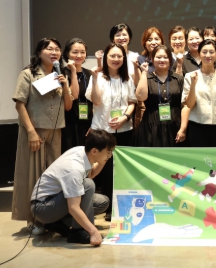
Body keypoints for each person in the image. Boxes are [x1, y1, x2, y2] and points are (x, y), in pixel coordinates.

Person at [12, 38, 74, 234]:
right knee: (33, 175)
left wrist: (65, 85)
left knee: (52, 176)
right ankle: (33, 219)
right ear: (39, 52)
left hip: (55, 131)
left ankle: (51, 218)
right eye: (49, 49)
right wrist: (31, 132)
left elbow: (68, 106)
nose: (54, 52)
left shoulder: (60, 74)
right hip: (35, 131)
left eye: (57, 49)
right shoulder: (28, 74)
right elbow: (20, 104)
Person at [30, 129, 114, 245]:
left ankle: (58, 223)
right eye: (108, 152)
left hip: (55, 200)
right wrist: (94, 232)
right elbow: (73, 207)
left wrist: (103, 160)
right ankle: (77, 232)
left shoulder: (83, 152)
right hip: (43, 208)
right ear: (94, 151)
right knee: (88, 185)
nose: (110, 155)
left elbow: (91, 174)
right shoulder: (74, 169)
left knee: (102, 202)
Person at [86, 43, 137, 221]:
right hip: (102, 130)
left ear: (124, 58)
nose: (116, 59)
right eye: (112, 56)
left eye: (119, 56)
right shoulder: (98, 77)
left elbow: (132, 102)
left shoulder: (127, 79)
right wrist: (94, 79)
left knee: (121, 170)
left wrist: (125, 117)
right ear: (105, 58)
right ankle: (107, 207)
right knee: (105, 171)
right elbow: (96, 101)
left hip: (124, 129)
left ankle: (121, 206)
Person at [183, 39, 216, 147]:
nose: (208, 55)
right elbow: (189, 104)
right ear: (199, 54)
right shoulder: (190, 76)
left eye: (211, 52)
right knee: (198, 157)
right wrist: (193, 84)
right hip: (197, 127)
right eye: (204, 52)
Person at [134, 45, 186, 147]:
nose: (162, 60)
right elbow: (141, 97)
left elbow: (185, 105)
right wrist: (144, 73)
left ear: (170, 60)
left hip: (175, 125)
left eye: (165, 57)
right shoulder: (146, 78)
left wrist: (183, 129)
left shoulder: (178, 79)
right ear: (152, 59)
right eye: (158, 57)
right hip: (151, 126)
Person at [61, 38, 93, 152]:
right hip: (68, 124)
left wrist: (94, 124)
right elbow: (74, 96)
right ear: (67, 54)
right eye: (75, 52)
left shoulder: (89, 74)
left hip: (87, 124)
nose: (79, 55)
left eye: (82, 52)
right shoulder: (62, 73)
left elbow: (94, 101)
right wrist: (73, 72)